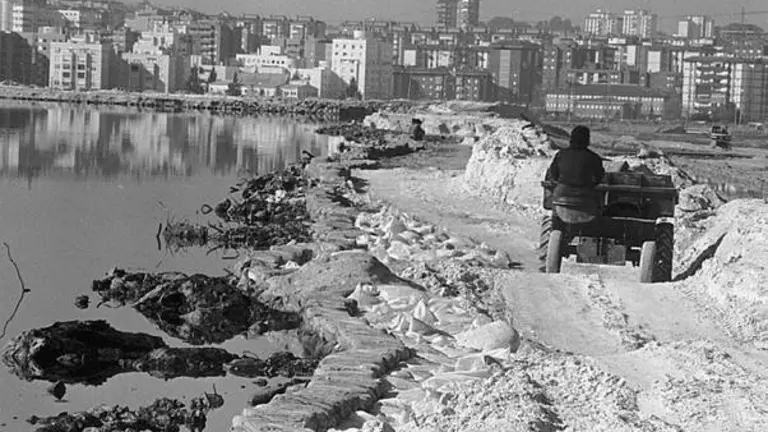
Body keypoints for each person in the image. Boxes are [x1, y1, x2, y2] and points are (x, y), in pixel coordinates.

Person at [545, 125, 605, 203]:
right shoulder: (594, 157)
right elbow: (599, 177)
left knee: (556, 199)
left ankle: (555, 214)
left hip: (563, 192)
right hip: (585, 195)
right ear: (587, 140)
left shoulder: (561, 155)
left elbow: (553, 174)